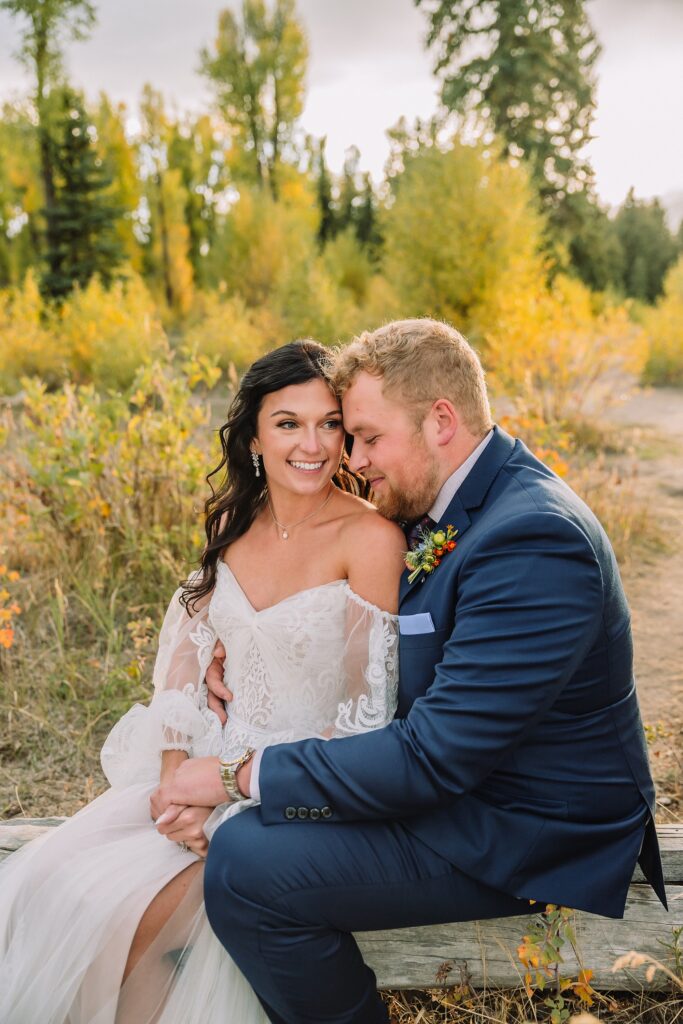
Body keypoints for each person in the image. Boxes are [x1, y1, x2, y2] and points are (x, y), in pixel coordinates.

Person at [175, 317, 667, 1024]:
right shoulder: (451, 504)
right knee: (239, 836)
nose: (355, 459)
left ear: (441, 420)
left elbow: (433, 756)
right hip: (460, 790)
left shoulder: (535, 539)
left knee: (249, 864)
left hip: (524, 824)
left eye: (367, 438)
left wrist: (237, 776)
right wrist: (240, 645)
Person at [0, 340, 406, 1024]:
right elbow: (185, 664)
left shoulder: (369, 540)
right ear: (252, 435)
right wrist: (172, 785)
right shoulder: (230, 523)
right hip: (197, 770)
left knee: (144, 918)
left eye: (329, 423)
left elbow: (364, 715)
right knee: (51, 883)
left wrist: (231, 787)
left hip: (292, 789)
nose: (311, 443)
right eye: (287, 423)